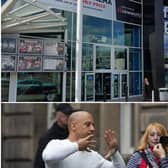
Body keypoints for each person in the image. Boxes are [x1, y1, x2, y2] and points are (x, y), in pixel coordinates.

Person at [42, 111, 126, 168]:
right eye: (87, 124)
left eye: (93, 125)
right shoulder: (56, 144)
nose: (92, 129)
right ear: (73, 126)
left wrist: (114, 153)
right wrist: (77, 146)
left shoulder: (93, 155)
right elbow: (49, 157)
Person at [34, 103, 74, 168]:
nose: (68, 116)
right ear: (57, 115)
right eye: (66, 114)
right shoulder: (47, 137)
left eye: (70, 114)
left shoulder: (72, 133)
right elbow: (40, 163)